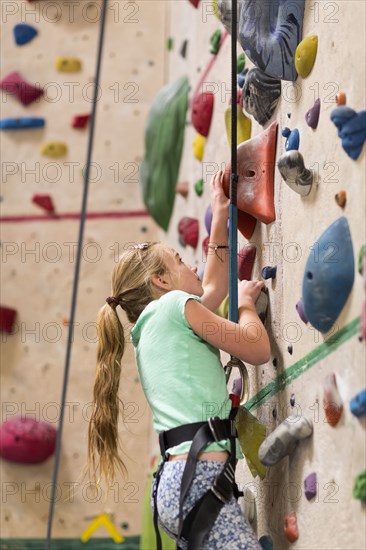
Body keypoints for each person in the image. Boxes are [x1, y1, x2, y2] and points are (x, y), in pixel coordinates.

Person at [88, 171, 270, 549]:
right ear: (161, 281)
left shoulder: (151, 328)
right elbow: (257, 349)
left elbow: (212, 288)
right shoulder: (173, 307)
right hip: (199, 479)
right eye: (179, 260)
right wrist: (247, 306)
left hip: (176, 488)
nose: (191, 263)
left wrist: (220, 215)